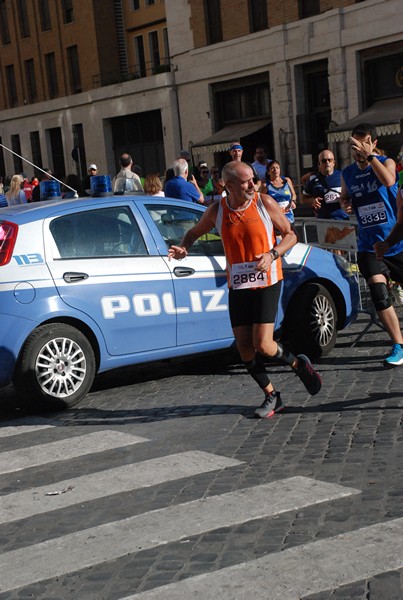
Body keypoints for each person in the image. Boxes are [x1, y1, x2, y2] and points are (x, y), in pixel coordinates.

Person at [168, 161, 322, 418]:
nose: (253, 184)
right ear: (227, 186)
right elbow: (194, 233)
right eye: (246, 181)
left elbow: (290, 234)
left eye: (253, 179)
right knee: (244, 348)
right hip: (239, 284)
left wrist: (272, 255)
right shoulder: (217, 210)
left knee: (263, 344)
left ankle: (298, 363)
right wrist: (184, 247)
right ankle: (272, 395)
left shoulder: (263, 203)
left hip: (267, 281)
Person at [340, 122, 403, 367]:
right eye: (354, 143)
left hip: (396, 241)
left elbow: (389, 181)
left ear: (373, 143)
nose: (358, 148)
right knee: (379, 292)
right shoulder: (348, 173)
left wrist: (371, 157)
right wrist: (344, 204)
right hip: (369, 245)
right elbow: (345, 197)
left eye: (363, 142)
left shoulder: (386, 163)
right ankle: (398, 344)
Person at [302, 150, 349, 220]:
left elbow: (352, 193)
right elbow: (303, 198)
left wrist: (348, 202)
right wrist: (312, 200)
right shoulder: (313, 179)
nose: (327, 163)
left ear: (334, 163)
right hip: (323, 221)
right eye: (324, 161)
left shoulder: (343, 176)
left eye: (329, 160)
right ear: (319, 164)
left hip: (343, 219)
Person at [266, 159, 297, 225]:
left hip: (289, 217)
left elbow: (293, 194)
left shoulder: (287, 181)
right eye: (272, 168)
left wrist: (293, 201)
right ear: (268, 172)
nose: (275, 170)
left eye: (277, 167)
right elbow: (261, 201)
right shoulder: (266, 185)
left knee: (292, 234)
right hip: (275, 219)